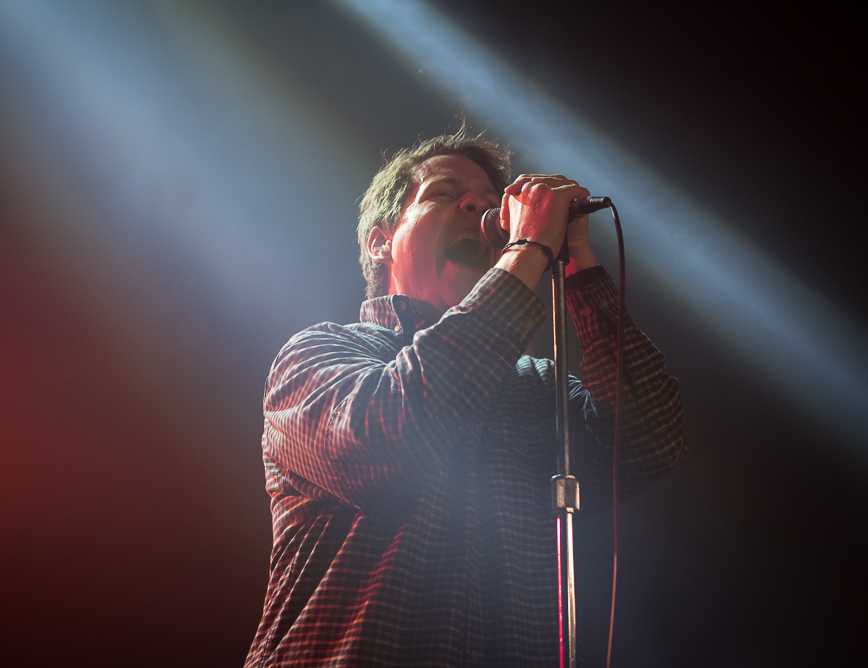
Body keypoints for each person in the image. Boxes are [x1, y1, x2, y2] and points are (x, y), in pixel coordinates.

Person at [245, 129, 686, 666]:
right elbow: (390, 440)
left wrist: (576, 264)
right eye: (443, 193)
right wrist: (525, 250)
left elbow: (649, 443)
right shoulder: (319, 354)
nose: (478, 206)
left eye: (490, 200)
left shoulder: (539, 382)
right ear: (379, 242)